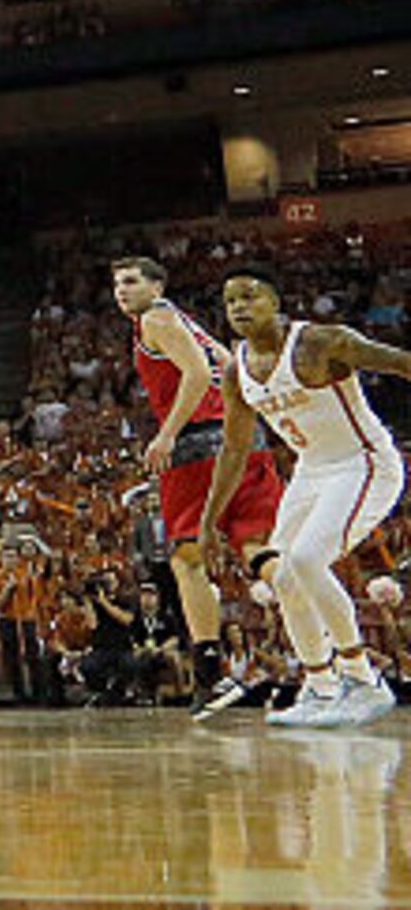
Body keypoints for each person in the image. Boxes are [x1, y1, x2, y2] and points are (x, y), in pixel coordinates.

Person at [201, 269, 409, 728]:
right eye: (230, 299)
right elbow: (234, 449)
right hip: (312, 472)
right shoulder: (237, 370)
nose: (239, 306)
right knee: (286, 577)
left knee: (308, 559)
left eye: (250, 296)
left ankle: (363, 679)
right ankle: (320, 684)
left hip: (364, 463)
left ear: (275, 302)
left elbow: (399, 362)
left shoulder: (321, 342)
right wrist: (208, 521)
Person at [114, 254, 282, 715]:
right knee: (257, 550)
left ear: (157, 285)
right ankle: (327, 648)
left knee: (187, 558)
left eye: (130, 281)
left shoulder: (156, 319)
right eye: (116, 285)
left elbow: (197, 374)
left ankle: (211, 670)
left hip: (196, 445)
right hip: (245, 439)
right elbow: (231, 367)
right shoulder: (195, 326)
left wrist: (167, 434)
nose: (121, 291)